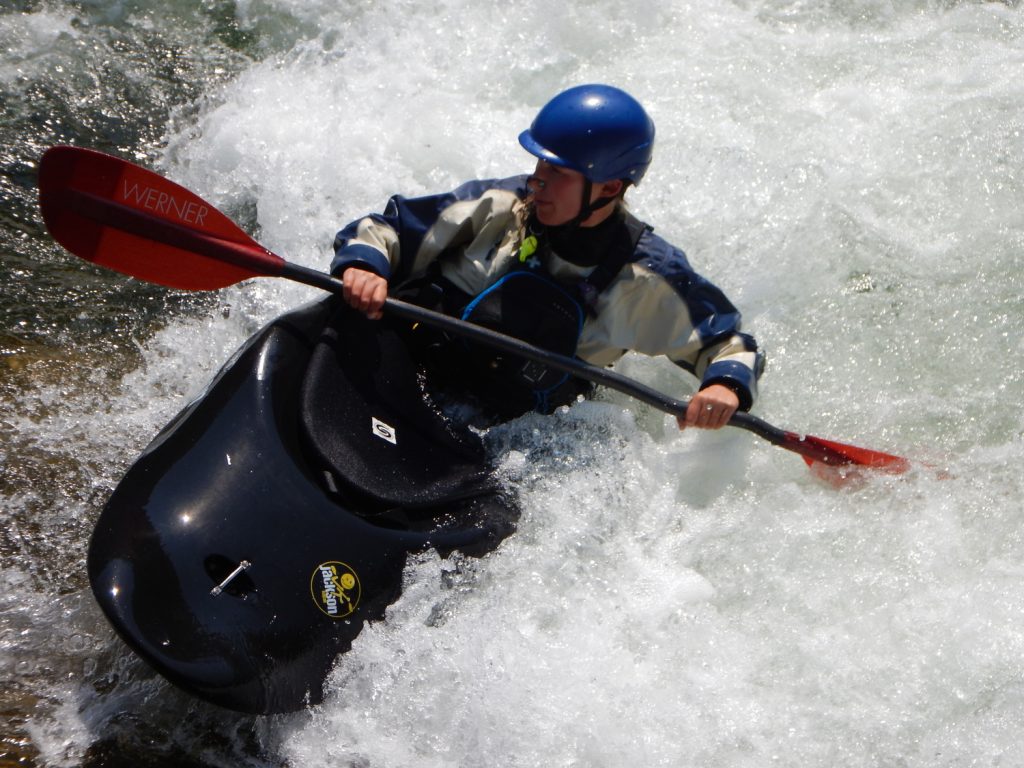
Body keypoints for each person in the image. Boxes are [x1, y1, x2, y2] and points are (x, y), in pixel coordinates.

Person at [332, 84, 763, 429]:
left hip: (497, 435)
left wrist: (724, 388)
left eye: (557, 172)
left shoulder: (644, 276)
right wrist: (364, 266)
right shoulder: (500, 204)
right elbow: (390, 229)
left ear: (609, 188)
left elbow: (727, 344)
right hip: (400, 371)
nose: (538, 181)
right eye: (540, 164)